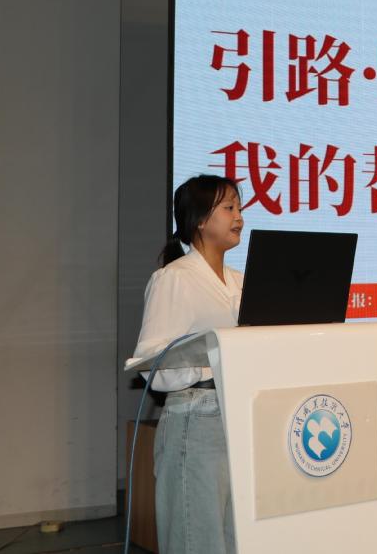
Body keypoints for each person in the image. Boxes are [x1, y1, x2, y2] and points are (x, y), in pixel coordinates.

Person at [132, 175, 245, 554]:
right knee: (197, 539)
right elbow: (152, 363)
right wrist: (210, 363)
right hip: (196, 420)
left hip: (239, 419)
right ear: (199, 220)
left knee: (235, 539)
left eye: (239, 207)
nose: (239, 217)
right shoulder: (173, 279)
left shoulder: (241, 282)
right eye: (228, 208)